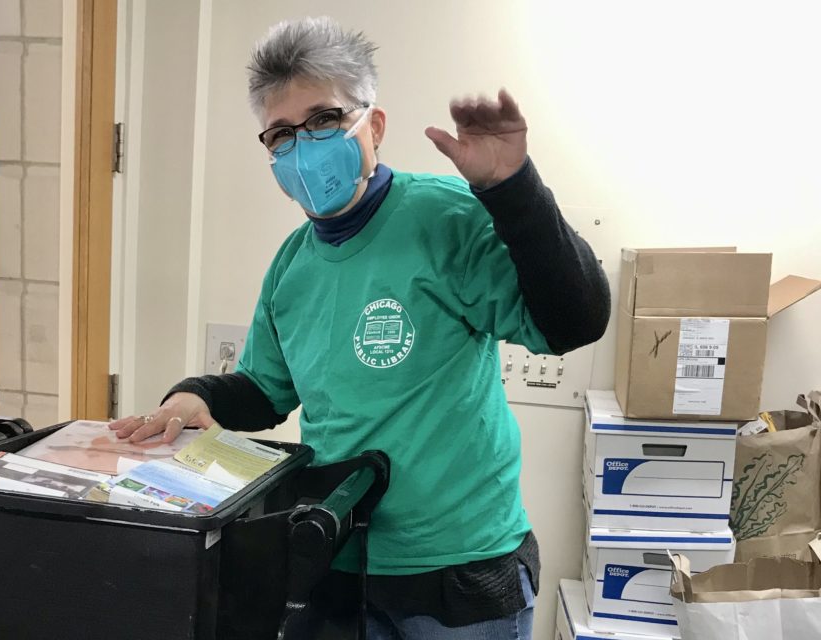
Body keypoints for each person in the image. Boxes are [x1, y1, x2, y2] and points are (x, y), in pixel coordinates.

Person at [109, 16, 610, 640]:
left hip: (457, 571)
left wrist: (513, 190)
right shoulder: (292, 266)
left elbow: (576, 321)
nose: (304, 146)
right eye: (282, 134)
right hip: (338, 558)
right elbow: (268, 391)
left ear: (372, 124)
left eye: (324, 120)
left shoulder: (444, 218)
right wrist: (198, 395)